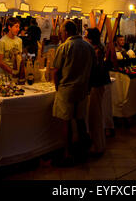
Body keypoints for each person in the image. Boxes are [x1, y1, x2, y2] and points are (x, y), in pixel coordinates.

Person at [52, 20, 96, 166]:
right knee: (80, 120)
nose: (61, 35)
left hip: (67, 90)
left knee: (67, 122)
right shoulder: (88, 46)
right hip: (83, 89)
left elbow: (56, 70)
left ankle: (67, 153)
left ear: (66, 32)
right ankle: (83, 151)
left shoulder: (64, 47)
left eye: (62, 32)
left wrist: (57, 86)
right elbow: (93, 67)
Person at [86, 27, 111, 156]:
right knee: (96, 115)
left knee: (95, 116)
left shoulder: (96, 50)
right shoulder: (99, 48)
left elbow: (94, 68)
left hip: (96, 83)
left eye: (86, 36)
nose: (85, 38)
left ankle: (98, 146)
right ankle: (98, 144)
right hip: (98, 83)